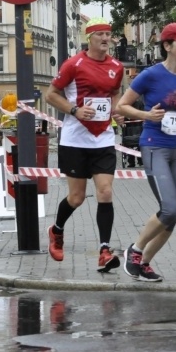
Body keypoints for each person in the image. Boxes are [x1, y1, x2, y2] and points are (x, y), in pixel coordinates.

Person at [117, 22, 176, 282]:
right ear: (167, 45)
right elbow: (122, 106)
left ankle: (144, 263)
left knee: (173, 215)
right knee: (168, 209)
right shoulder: (150, 75)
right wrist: (146, 114)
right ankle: (135, 250)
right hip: (154, 145)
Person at [44, 17, 125, 272]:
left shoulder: (116, 67)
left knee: (105, 192)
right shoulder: (73, 64)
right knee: (77, 197)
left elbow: (115, 94)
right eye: (100, 34)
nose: (105, 38)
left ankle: (104, 251)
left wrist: (117, 111)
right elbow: (50, 95)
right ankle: (57, 230)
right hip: (75, 140)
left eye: (108, 34)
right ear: (89, 38)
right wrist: (75, 110)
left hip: (103, 139)